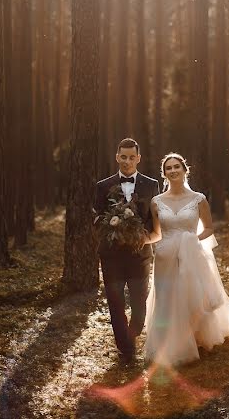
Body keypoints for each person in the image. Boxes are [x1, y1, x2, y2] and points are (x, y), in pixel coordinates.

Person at [144, 153, 229, 367]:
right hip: (165, 256)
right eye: (168, 168)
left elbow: (208, 228)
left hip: (191, 254)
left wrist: (192, 241)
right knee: (167, 297)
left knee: (191, 295)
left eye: (177, 166)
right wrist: (141, 241)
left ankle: (194, 337)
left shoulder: (199, 199)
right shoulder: (156, 202)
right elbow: (157, 233)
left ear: (185, 170)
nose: (173, 171)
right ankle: (169, 341)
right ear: (164, 174)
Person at [94, 138, 162, 363]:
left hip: (140, 255)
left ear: (138, 159)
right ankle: (126, 350)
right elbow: (97, 221)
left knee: (139, 304)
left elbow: (154, 220)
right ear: (117, 157)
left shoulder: (151, 185)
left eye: (131, 157)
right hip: (112, 255)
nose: (127, 161)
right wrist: (113, 229)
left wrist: (144, 237)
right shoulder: (102, 186)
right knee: (115, 303)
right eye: (123, 156)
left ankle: (133, 333)